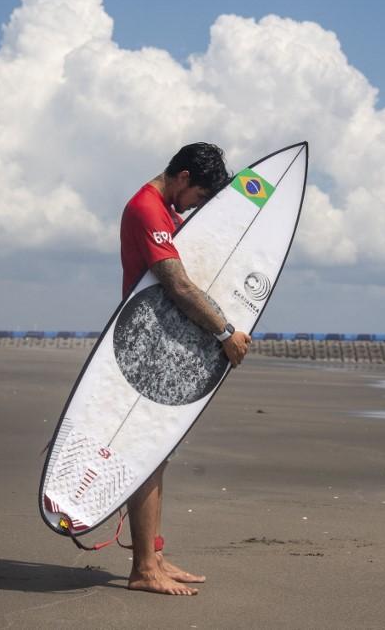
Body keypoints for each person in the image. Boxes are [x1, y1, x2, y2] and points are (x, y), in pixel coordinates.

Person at [119, 142, 252, 595]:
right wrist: (224, 332)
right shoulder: (147, 209)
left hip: (164, 345)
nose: (195, 205)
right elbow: (176, 283)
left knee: (158, 454)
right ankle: (143, 570)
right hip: (146, 347)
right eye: (197, 195)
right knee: (147, 455)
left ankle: (153, 555)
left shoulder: (165, 212)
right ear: (182, 177)